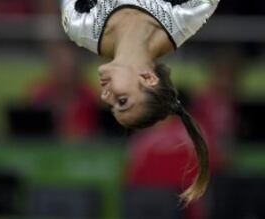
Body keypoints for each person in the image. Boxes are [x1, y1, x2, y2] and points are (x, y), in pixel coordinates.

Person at [60, 0, 220, 204]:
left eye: (112, 105)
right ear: (148, 78)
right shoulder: (186, 16)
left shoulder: (78, 25)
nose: (105, 96)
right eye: (122, 100)